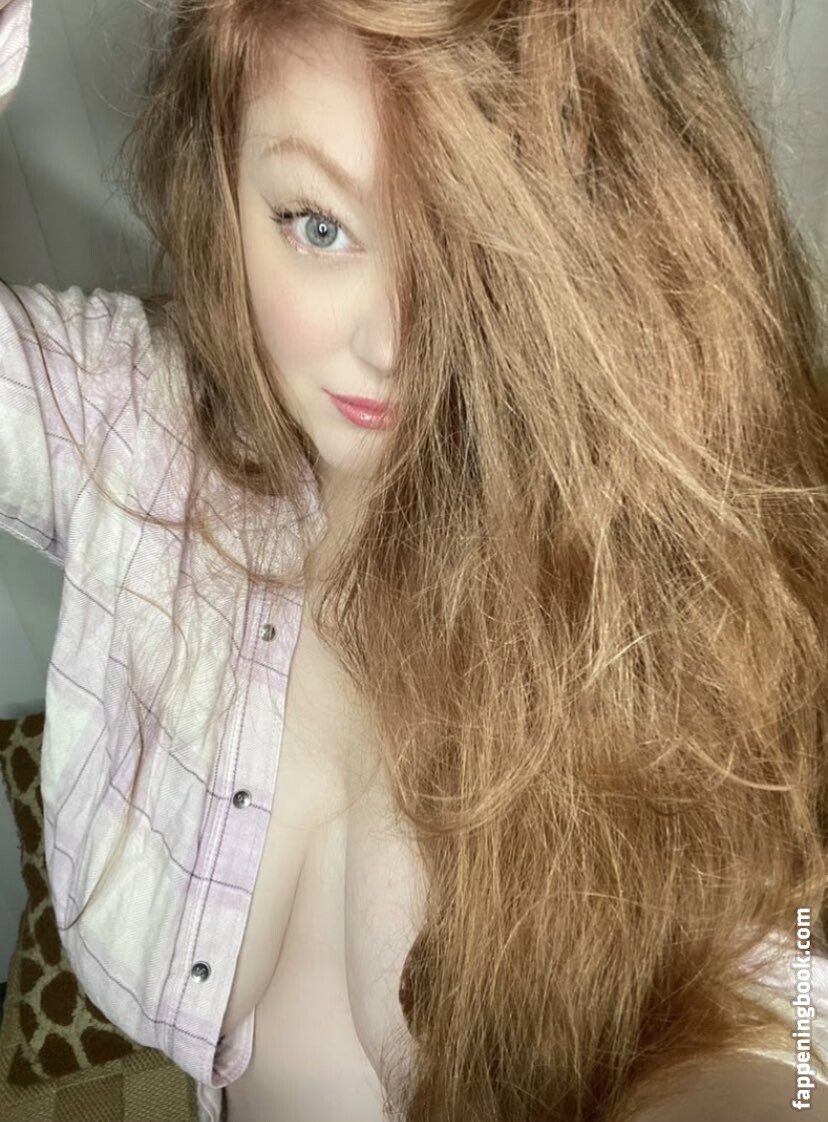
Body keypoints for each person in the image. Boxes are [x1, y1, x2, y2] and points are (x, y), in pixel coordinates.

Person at [2, 1, 828, 1120]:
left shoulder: (683, 565)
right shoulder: (138, 424)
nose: (391, 343)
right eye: (318, 225)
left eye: (466, 240)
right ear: (223, 184)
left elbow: (783, 1022)